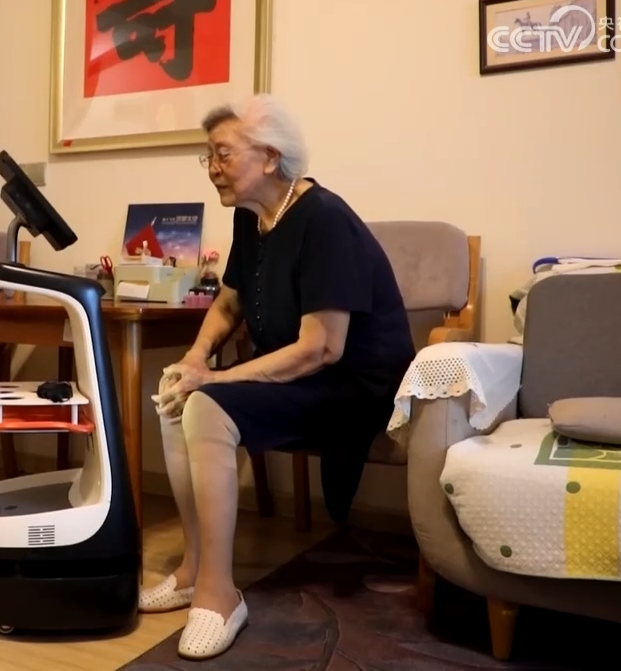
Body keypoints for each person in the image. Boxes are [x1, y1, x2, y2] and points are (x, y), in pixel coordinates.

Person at [139, 95, 415, 660]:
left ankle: (219, 596)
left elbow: (321, 348)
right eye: (208, 156)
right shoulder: (252, 216)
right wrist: (195, 360)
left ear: (270, 156)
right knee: (176, 395)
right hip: (302, 379)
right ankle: (194, 568)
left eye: (223, 153)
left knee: (205, 403)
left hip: (357, 388)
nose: (213, 167)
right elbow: (229, 302)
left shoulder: (325, 219)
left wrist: (217, 381)